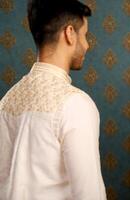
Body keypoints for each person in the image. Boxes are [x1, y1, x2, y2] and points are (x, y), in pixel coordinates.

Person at [0, 0, 106, 199]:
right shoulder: (76, 105)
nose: (87, 45)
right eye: (85, 35)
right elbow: (89, 194)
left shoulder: (6, 102)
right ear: (69, 33)